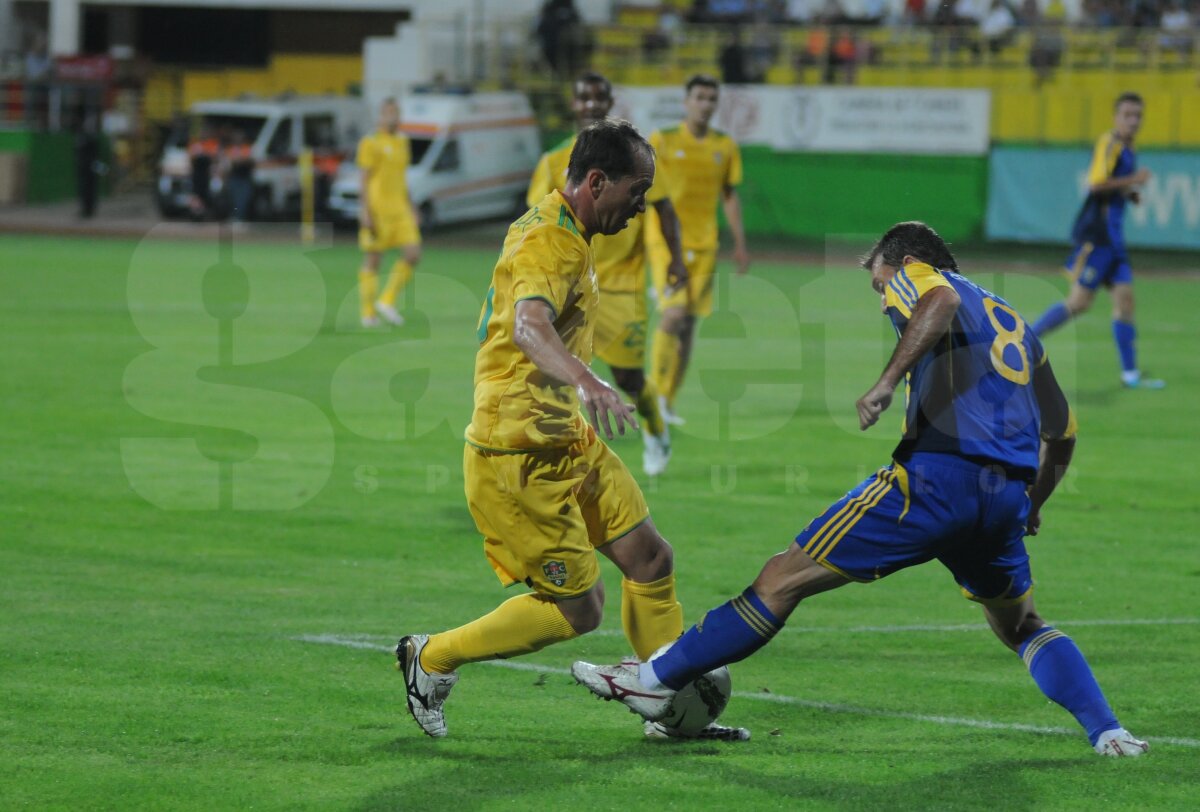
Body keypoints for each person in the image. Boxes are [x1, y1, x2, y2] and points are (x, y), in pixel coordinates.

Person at [573, 221, 1149, 758]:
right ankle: (1109, 731)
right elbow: (1063, 431)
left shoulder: (928, 280)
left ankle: (652, 682)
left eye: (880, 284)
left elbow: (939, 302)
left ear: (905, 264)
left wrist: (885, 382)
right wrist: (1035, 505)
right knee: (1022, 625)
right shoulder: (1015, 323)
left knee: (780, 579)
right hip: (1002, 497)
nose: (883, 299)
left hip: (932, 481)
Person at [397, 119, 746, 742]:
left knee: (649, 557)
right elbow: (530, 327)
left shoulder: (565, 230)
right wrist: (589, 382)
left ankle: (665, 703)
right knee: (578, 610)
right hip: (517, 453)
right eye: (636, 191)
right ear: (595, 181)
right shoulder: (550, 245)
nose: (640, 207)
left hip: (566, 437)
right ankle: (430, 659)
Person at [526, 72, 689, 476]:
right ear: (574, 104)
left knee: (628, 376)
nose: (592, 105)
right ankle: (558, 455)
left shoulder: (636, 157)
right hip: (571, 285)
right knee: (551, 370)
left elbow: (664, 208)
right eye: (584, 98)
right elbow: (534, 222)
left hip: (621, 285)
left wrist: (675, 259)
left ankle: (655, 428)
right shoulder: (551, 162)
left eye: (599, 98)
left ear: (609, 101)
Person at [1029, 92, 1163, 389]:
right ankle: (1022, 344)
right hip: (1098, 237)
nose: (1133, 121)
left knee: (1125, 302)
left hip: (1114, 240)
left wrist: (1130, 193)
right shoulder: (1110, 143)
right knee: (1078, 302)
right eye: (1128, 114)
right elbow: (1096, 184)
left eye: (1138, 115)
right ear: (1116, 117)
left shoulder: (1128, 148)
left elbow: (1114, 188)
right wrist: (1133, 181)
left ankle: (1130, 375)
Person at [646, 74, 750, 426]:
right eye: (699, 97)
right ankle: (654, 396)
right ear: (685, 101)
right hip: (666, 241)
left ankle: (668, 402)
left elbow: (730, 196)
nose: (705, 104)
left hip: (705, 245)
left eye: (711, 98)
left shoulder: (725, 146)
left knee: (688, 326)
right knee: (673, 315)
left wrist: (740, 244)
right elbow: (645, 188)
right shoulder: (662, 140)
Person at [357, 98, 421, 328]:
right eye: (388, 113)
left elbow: (403, 178)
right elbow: (364, 179)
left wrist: (412, 208)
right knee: (373, 259)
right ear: (381, 116)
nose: (393, 117)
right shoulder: (371, 142)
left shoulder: (403, 141)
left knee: (413, 254)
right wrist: (365, 211)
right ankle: (368, 314)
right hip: (378, 209)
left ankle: (387, 300)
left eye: (396, 112)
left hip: (401, 209)